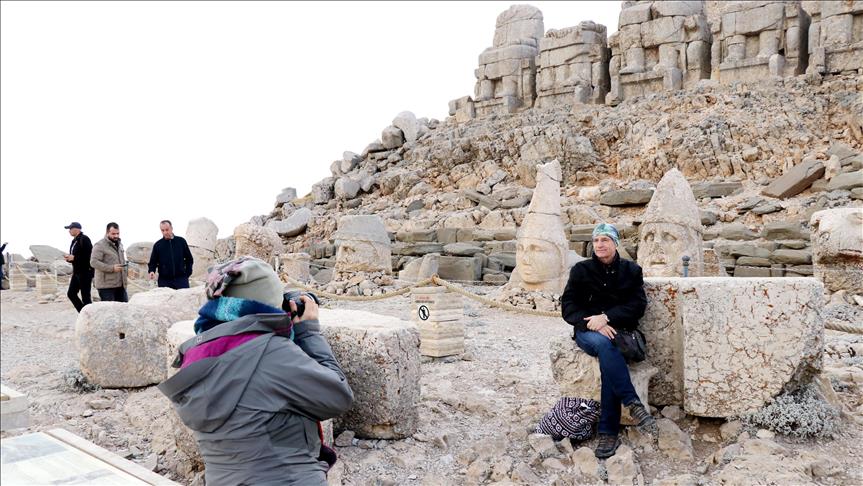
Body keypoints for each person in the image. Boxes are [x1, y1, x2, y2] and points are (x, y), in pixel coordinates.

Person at [159, 257, 353, 486]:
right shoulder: (270, 353)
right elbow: (338, 397)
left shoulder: (194, 353)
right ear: (266, 304)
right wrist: (308, 333)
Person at [560, 223, 655, 459]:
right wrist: (594, 322)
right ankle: (632, 403)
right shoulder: (580, 270)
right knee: (604, 344)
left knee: (609, 354)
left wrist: (607, 317)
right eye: (596, 240)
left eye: (605, 240)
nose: (600, 244)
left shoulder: (631, 270)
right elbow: (568, 307)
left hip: (619, 331)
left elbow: (637, 306)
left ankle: (608, 433)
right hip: (588, 330)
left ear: (615, 243)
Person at [147, 220, 194, 289]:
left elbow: (189, 259)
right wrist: (151, 271)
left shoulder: (181, 241)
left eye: (167, 230)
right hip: (164, 281)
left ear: (171, 228)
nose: (165, 232)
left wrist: (188, 273)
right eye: (162, 230)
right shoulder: (158, 245)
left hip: (181, 279)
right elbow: (153, 262)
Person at [90, 222, 128, 302]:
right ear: (107, 232)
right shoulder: (99, 245)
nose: (116, 236)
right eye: (113, 234)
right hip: (106, 287)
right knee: (109, 309)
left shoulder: (120, 244)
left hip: (121, 285)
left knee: (124, 308)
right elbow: (93, 262)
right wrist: (112, 268)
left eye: (118, 233)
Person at [63, 222, 94, 311]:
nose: (69, 231)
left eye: (70, 229)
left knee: (86, 297)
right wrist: (69, 258)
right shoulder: (74, 241)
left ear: (77, 229)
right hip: (76, 272)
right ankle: (83, 313)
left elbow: (90, 256)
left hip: (85, 272)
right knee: (71, 294)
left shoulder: (85, 239)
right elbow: (75, 257)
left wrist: (74, 258)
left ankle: (89, 316)